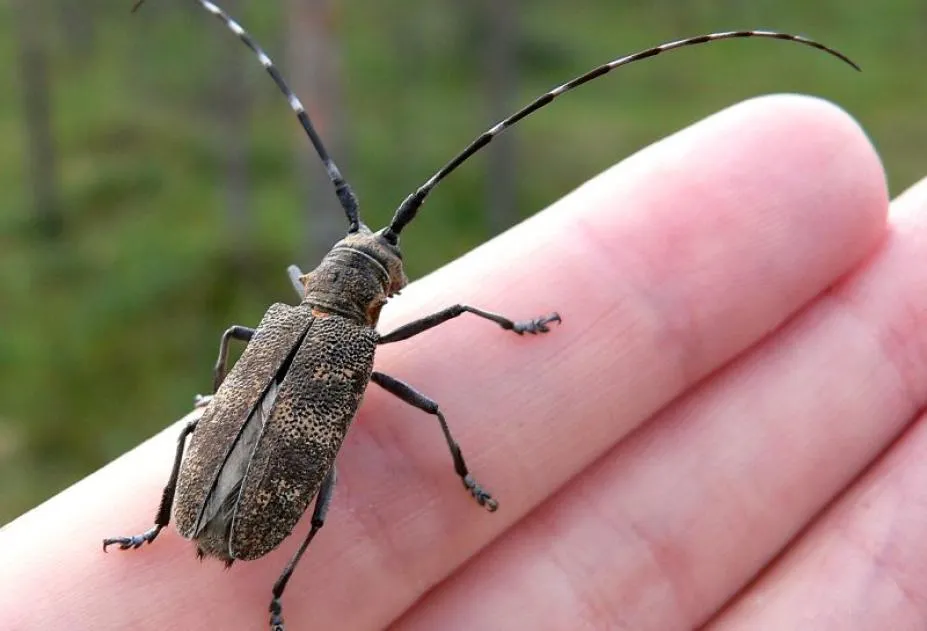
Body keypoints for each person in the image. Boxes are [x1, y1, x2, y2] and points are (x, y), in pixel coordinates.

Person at [2, 94, 922, 630]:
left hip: (242, 471)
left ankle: (164, 529)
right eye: (383, 262)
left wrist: (232, 389)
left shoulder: (280, 319)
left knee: (211, 418)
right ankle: (264, 582)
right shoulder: (352, 341)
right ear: (379, 291)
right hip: (259, 501)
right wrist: (495, 369)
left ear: (326, 277)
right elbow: (425, 404)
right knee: (413, 419)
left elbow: (238, 367)